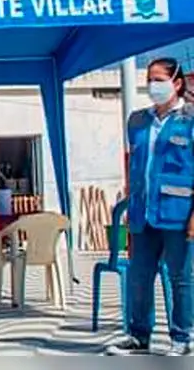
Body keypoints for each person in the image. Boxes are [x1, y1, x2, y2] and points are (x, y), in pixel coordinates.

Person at [108, 57, 194, 356]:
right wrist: (130, 201)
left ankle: (182, 338)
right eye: (149, 79)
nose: (152, 85)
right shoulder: (138, 121)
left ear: (177, 83)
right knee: (139, 276)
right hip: (143, 213)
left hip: (178, 215)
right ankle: (139, 336)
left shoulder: (190, 120)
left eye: (159, 79)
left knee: (180, 278)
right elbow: (134, 164)